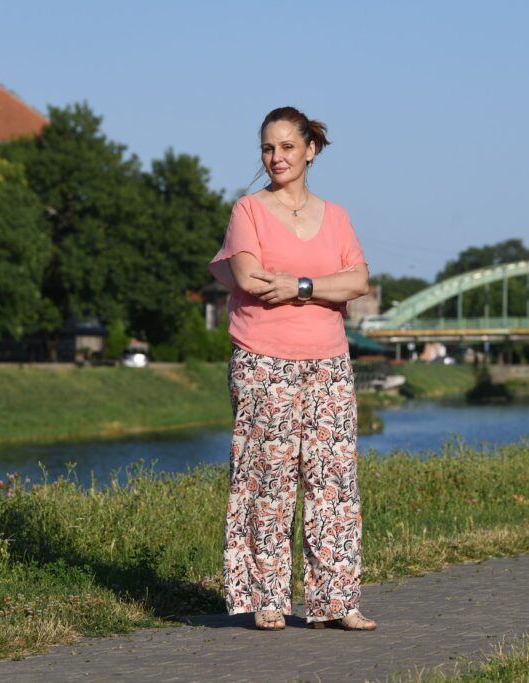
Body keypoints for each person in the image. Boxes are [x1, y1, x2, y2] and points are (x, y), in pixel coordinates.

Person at [208, 107, 377, 632]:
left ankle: (337, 602)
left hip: (328, 362)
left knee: (334, 483)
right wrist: (324, 284)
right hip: (263, 361)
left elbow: (359, 282)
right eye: (267, 148)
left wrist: (301, 286)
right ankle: (268, 598)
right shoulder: (248, 211)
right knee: (268, 482)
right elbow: (249, 276)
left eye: (285, 146)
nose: (275, 157)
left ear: (310, 150)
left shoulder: (338, 216)